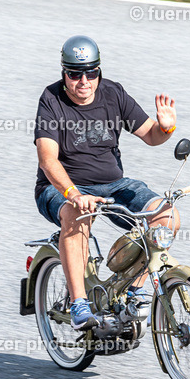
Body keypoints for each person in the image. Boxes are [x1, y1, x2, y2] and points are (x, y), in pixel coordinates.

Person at [34, 35, 179, 330]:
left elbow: (151, 135)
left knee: (168, 217)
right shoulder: (51, 100)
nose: (83, 81)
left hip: (113, 185)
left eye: (91, 72)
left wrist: (166, 128)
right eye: (75, 74)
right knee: (77, 216)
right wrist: (72, 194)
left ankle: (135, 293)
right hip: (62, 188)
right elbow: (48, 159)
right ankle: (79, 305)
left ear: (99, 71)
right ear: (64, 73)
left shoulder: (113, 93)